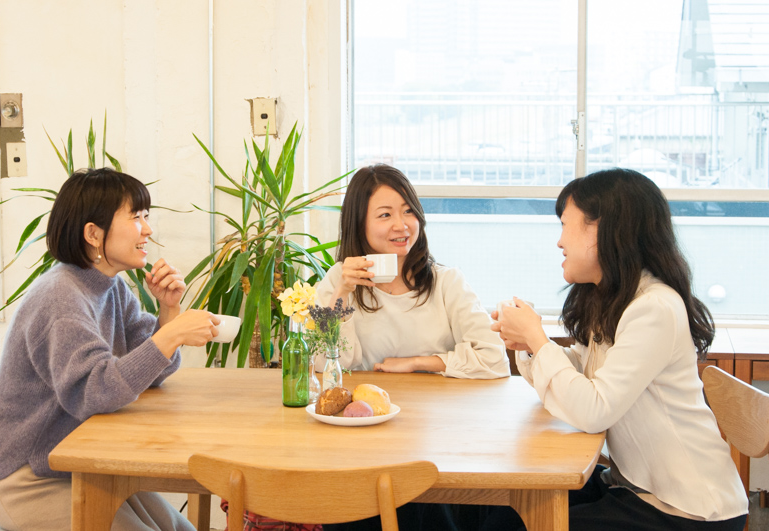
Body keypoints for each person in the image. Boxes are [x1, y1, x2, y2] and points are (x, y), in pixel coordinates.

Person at [485, 168, 748, 530]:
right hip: (635, 486)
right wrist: (530, 346)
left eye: (565, 225)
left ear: (603, 230)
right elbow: (582, 374)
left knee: (517, 523)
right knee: (505, 513)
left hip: (686, 507)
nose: (559, 242)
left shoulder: (654, 308)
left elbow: (593, 410)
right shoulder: (614, 298)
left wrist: (538, 340)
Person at [0, 168, 220, 531]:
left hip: (79, 462)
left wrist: (169, 311)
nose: (148, 229)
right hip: (28, 477)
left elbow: (149, 374)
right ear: (93, 233)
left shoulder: (110, 287)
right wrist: (173, 334)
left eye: (146, 216)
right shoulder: (60, 297)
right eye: (136, 217)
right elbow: (94, 392)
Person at [316, 163, 509, 379]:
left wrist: (416, 363)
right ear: (359, 223)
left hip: (434, 399)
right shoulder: (340, 279)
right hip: (365, 400)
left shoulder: (447, 282)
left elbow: (494, 358)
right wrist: (342, 293)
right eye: (385, 215)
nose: (401, 225)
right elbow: (323, 364)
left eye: (408, 211)